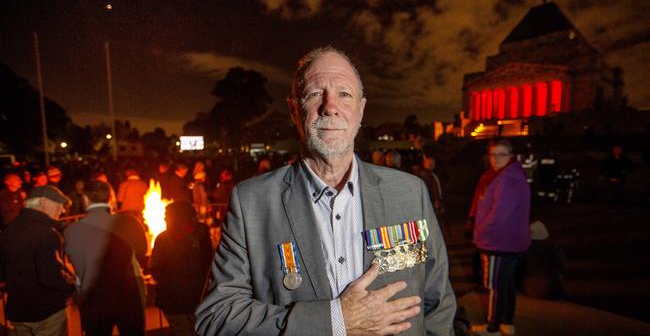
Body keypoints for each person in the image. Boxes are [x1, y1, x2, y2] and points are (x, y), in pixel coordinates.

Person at [195, 47, 456, 335]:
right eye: (315, 94)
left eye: (344, 94)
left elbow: (439, 304)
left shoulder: (409, 193)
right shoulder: (252, 203)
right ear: (294, 110)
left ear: (361, 109)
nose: (330, 106)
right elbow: (216, 317)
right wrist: (333, 321)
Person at [64, 180, 148, 336]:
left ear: (85, 199)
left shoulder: (72, 230)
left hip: (94, 292)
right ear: (110, 198)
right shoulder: (129, 222)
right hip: (128, 288)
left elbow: (75, 263)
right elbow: (143, 250)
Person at [465, 139, 531, 336]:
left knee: (494, 286)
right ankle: (506, 322)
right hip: (509, 241)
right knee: (506, 284)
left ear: (511, 156)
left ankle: (492, 327)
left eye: (501, 154)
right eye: (493, 155)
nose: (496, 159)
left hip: (498, 242)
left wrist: (480, 232)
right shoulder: (506, 175)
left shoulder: (507, 179)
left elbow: (498, 215)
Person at [0, 186, 74, 335]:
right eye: (59, 203)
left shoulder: (9, 230)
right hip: (46, 312)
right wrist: (72, 284)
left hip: (18, 312)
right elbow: (51, 277)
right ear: (43, 202)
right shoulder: (47, 233)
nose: (63, 210)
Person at [151, 202, 213, 336]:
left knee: (181, 331)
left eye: (166, 215)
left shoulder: (163, 239)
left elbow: (156, 268)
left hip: (173, 298)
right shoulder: (202, 236)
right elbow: (209, 264)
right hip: (199, 296)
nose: (164, 218)